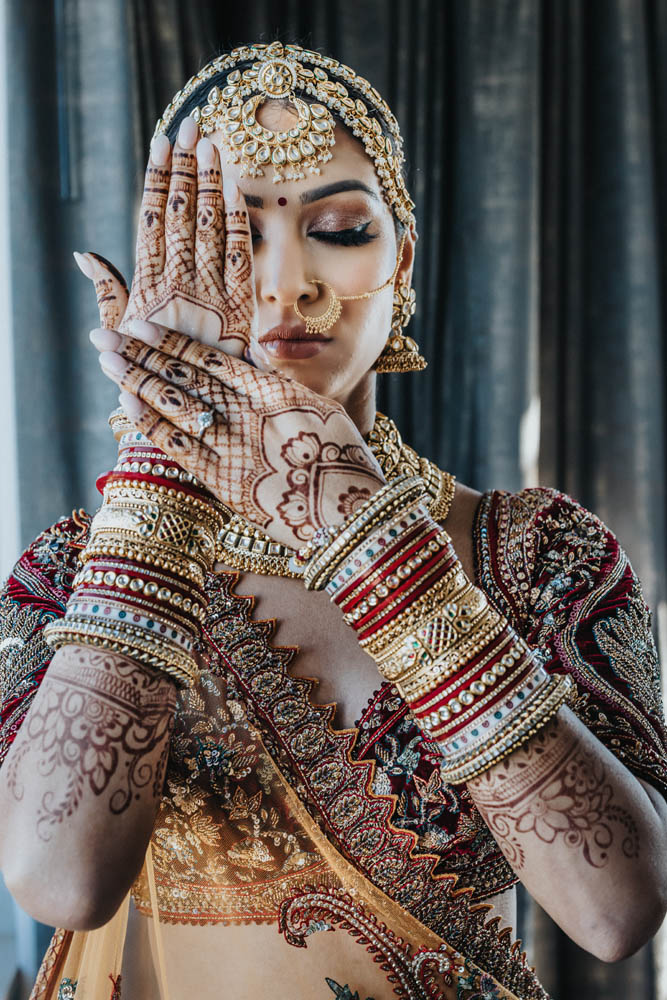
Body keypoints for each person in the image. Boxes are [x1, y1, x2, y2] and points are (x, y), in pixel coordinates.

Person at [1, 40, 666, 1000]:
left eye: (340, 229)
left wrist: (373, 538)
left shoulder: (535, 553)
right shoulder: (74, 571)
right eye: (230, 234)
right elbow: (59, 882)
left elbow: (618, 913)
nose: (285, 284)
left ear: (404, 260)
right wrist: (164, 468)